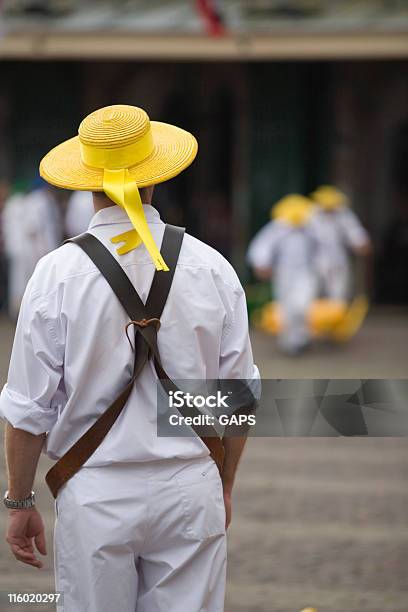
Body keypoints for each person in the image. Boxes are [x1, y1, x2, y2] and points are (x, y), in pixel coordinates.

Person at [0, 104, 259, 612]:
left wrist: (20, 501)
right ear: (154, 179)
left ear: (88, 182)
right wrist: (222, 483)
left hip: (94, 489)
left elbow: (29, 408)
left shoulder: (56, 274)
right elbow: (237, 398)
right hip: (190, 484)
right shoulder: (213, 267)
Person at [247, 194, 318, 354]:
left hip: (306, 273)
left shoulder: (311, 227)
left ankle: (302, 337)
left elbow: (324, 248)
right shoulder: (278, 227)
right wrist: (261, 264)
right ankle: (290, 343)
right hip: (283, 274)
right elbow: (262, 246)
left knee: (302, 306)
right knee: (286, 308)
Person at [310, 185, 371, 301]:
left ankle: (335, 317)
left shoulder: (343, 213)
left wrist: (361, 243)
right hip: (315, 262)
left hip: (338, 261)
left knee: (338, 296)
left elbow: (354, 230)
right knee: (314, 295)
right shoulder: (310, 214)